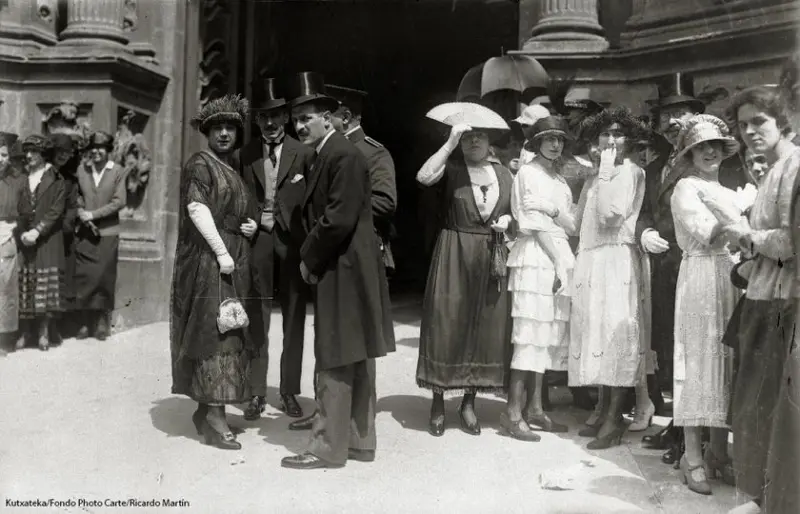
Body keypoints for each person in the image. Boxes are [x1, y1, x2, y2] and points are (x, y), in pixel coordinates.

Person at [280, 72, 395, 469]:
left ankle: (326, 447)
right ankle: (360, 441)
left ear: (329, 118)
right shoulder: (328, 153)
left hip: (342, 265)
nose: (299, 126)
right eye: (296, 120)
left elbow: (337, 219)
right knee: (356, 351)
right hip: (350, 264)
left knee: (333, 353)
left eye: (307, 118)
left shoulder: (340, 154)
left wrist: (307, 260)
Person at [704, 85, 799, 512]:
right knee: (753, 402)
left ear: (784, 121)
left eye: (758, 121)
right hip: (763, 296)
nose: (749, 132)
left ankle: (770, 499)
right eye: (743, 125)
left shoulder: (794, 167)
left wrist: (747, 235)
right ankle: (758, 495)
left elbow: (791, 242)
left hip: (784, 302)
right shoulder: (776, 168)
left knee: (769, 404)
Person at [170, 94, 264, 450]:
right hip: (211, 259)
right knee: (217, 332)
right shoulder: (200, 164)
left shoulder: (232, 168)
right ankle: (214, 416)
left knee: (230, 325)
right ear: (206, 132)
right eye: (217, 128)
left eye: (230, 128)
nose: (224, 133)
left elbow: (236, 212)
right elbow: (197, 209)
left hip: (231, 256)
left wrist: (250, 227)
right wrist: (223, 252)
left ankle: (206, 407)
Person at [415, 118, 513, 437]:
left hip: (490, 253)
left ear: (489, 142)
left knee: (483, 324)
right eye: (467, 137)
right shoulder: (452, 167)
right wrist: (449, 143)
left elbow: (516, 212)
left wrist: (508, 219)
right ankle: (438, 402)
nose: (474, 142)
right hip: (454, 248)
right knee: (446, 323)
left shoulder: (503, 173)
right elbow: (423, 176)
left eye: (479, 136)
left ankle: (468, 403)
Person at [568, 107, 648, 450]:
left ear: (628, 140)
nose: (611, 140)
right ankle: (603, 412)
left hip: (616, 260)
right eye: (605, 134)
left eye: (617, 134)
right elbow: (580, 221)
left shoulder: (630, 172)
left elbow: (611, 216)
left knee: (616, 338)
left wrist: (602, 171)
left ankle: (615, 419)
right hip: (593, 260)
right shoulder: (595, 176)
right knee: (596, 336)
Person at [669, 114, 741, 494]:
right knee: (698, 359)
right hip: (699, 276)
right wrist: (742, 217)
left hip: (730, 277)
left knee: (726, 361)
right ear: (691, 153)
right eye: (701, 146)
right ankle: (692, 455)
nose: (709, 151)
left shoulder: (730, 190)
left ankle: (718, 453)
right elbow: (712, 235)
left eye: (715, 145)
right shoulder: (686, 188)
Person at [639, 74, 706, 463]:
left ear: (695, 118)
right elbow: (644, 212)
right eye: (667, 115)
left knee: (692, 350)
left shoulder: (706, 160)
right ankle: (677, 424)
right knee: (667, 347)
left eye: (682, 113)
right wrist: (644, 231)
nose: (673, 122)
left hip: (694, 267)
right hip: (662, 270)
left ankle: (689, 434)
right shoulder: (655, 167)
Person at [238, 77, 314, 421]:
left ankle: (288, 390)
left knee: (295, 315)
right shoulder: (246, 154)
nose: (270, 123)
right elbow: (240, 197)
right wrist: (253, 220)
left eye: (276, 116)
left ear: (286, 118)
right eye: (263, 117)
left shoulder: (305, 153)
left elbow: (311, 201)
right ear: (256, 121)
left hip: (293, 242)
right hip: (259, 241)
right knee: (257, 317)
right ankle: (255, 391)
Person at [505, 116, 575, 442]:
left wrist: (553, 210)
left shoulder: (559, 180)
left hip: (559, 255)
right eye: (548, 138)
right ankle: (512, 413)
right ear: (536, 142)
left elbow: (572, 225)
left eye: (559, 139)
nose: (555, 144)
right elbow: (531, 224)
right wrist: (558, 261)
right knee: (529, 334)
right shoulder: (528, 172)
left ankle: (535, 408)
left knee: (545, 337)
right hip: (536, 255)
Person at [327, 84, 398, 273]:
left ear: (345, 117)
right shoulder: (325, 151)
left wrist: (336, 209)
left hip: (361, 248)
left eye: (327, 116)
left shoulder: (374, 153)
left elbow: (385, 202)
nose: (323, 122)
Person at [73, 131, 127, 341]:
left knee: (103, 277)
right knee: (85, 277)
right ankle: (85, 322)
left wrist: (93, 215)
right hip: (85, 232)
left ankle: (102, 322)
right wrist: (80, 212)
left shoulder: (118, 172)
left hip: (107, 232)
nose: (96, 152)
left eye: (101, 148)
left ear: (108, 151)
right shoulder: (82, 170)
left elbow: (119, 201)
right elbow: (76, 196)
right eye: (93, 148)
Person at [16, 135, 66, 352]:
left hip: (47, 239)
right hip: (26, 238)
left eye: (33, 152)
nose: (28, 156)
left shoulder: (56, 179)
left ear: (42, 153)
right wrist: (23, 231)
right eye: (27, 152)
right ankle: (26, 331)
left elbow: (56, 210)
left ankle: (44, 332)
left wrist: (38, 230)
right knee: (27, 284)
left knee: (44, 287)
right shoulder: (23, 177)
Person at [0, 131, 31, 352]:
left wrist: (14, 226)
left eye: (3, 155)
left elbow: (26, 212)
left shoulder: (19, 181)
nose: (1, 159)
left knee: (5, 287)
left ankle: (3, 337)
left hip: (6, 236)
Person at [49, 133, 81, 340]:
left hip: (61, 234)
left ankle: (55, 326)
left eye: (67, 153)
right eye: (59, 152)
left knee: (61, 279)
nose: (63, 156)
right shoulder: (44, 174)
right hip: (42, 232)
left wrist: (66, 226)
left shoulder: (70, 180)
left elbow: (71, 207)